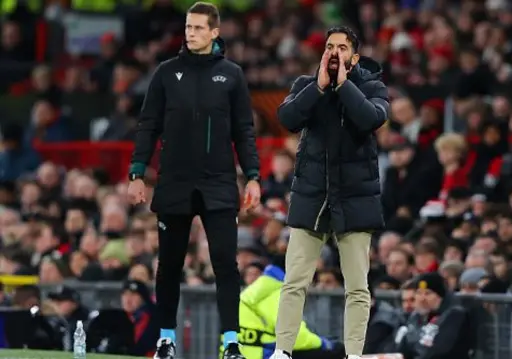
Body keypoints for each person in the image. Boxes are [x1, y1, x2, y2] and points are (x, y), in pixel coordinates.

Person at [127, 2, 261, 359]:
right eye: (188, 27)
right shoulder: (166, 74)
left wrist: (253, 177)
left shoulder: (232, 75)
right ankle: (166, 340)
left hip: (218, 183)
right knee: (169, 265)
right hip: (174, 181)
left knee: (225, 264)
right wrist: (137, 172)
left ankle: (231, 343)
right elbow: (147, 124)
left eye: (199, 28)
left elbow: (244, 131)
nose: (191, 33)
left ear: (215, 32)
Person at [271, 26, 389, 359]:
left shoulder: (373, 87)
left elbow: (370, 119)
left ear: (354, 56)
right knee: (294, 281)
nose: (334, 52)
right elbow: (287, 118)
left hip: (354, 199)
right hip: (312, 196)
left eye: (341, 47)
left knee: (357, 288)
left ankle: (353, 354)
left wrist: (343, 86)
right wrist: (320, 87)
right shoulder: (306, 87)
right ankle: (283, 351)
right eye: (329, 46)